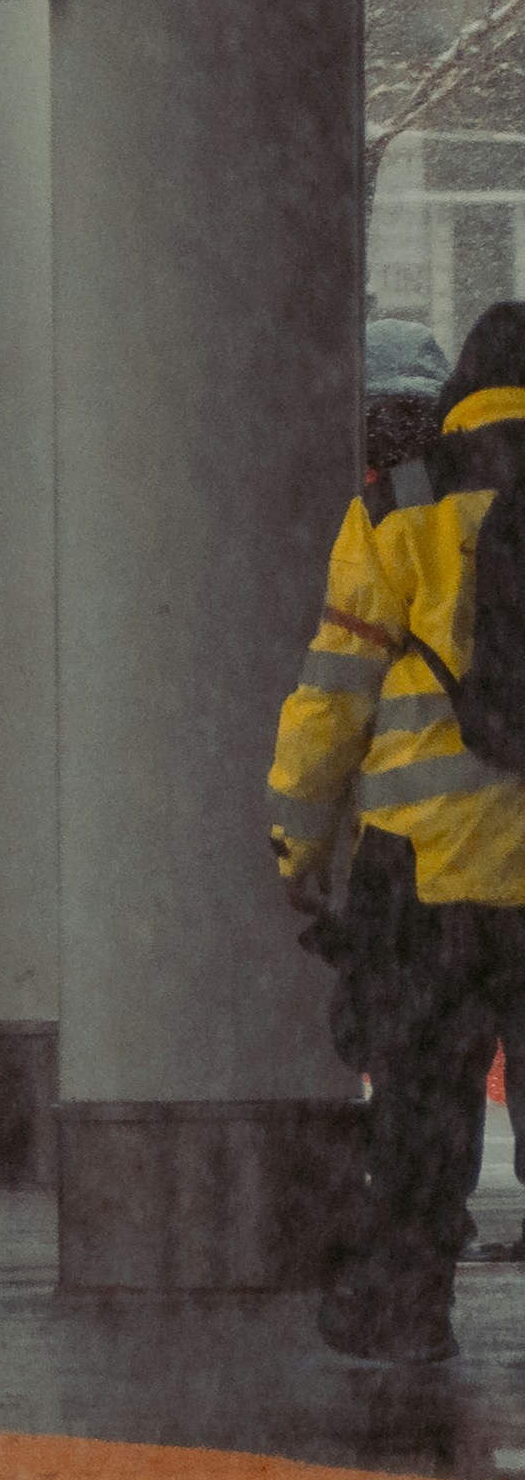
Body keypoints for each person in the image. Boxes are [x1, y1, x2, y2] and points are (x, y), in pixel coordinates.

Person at [270, 304, 525, 1360]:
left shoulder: (396, 506)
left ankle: (411, 1307)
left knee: (426, 1105)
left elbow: (335, 691)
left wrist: (299, 839)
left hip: (433, 872)